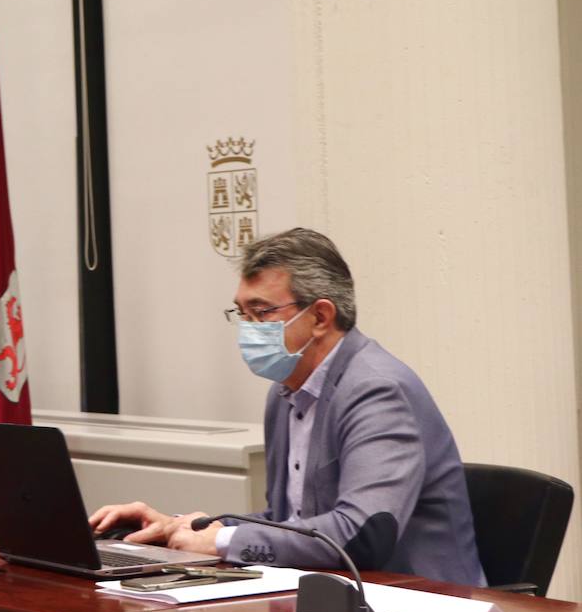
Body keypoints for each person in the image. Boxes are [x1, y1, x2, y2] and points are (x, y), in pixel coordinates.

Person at [90, 228, 485, 585]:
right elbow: (291, 522)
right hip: (331, 595)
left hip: (424, 607)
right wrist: (187, 528)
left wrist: (224, 541)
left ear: (319, 316)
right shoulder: (286, 391)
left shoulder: (376, 390)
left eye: (261, 312)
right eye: (241, 314)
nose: (247, 328)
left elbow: (362, 534)